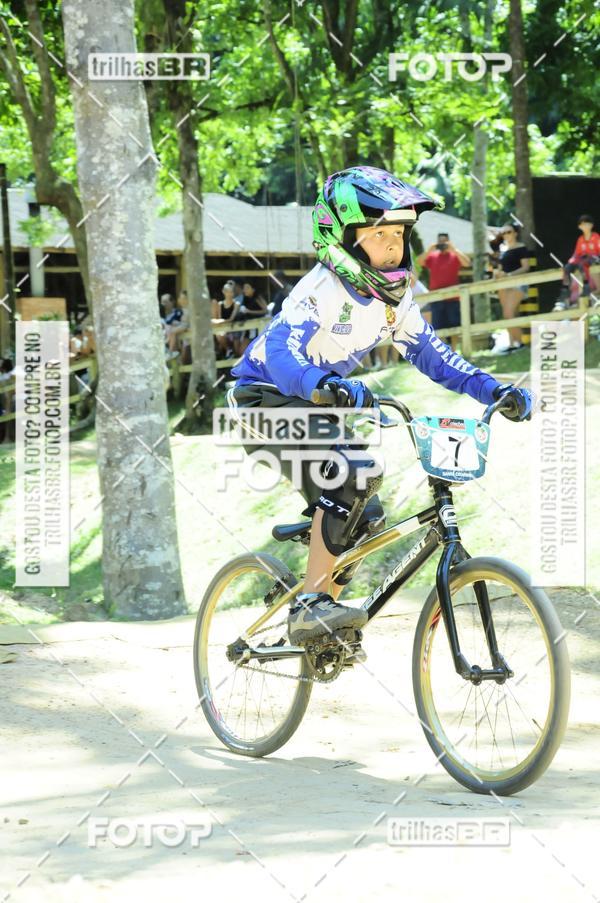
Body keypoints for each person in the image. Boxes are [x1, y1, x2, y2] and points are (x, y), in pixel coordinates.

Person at [228, 166, 532, 647]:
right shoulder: (321, 290)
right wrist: (321, 382)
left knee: (366, 514)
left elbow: (435, 357)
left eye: (399, 233)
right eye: (379, 233)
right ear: (344, 238)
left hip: (317, 404)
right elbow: (283, 354)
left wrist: (493, 389)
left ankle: (327, 620)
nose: (393, 244)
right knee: (354, 471)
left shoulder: (396, 300)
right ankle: (312, 605)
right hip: (263, 401)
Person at [416, 233, 470, 350]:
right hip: (436, 298)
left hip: (453, 297)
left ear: (448, 242)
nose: (442, 244)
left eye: (444, 242)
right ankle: (443, 353)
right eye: (440, 242)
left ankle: (454, 350)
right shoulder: (433, 256)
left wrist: (454, 249)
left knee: (454, 324)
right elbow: (419, 262)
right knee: (438, 327)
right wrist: (429, 249)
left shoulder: (454, 255)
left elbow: (467, 263)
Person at [493, 223, 530, 353]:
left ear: (515, 233)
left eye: (508, 232)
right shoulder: (502, 249)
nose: (506, 235)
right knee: (509, 314)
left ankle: (519, 344)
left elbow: (525, 267)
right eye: (503, 233)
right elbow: (500, 268)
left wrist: (509, 275)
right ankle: (511, 344)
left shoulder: (521, 248)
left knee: (508, 313)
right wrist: (497, 274)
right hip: (503, 284)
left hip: (518, 282)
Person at [554, 214, 600, 310]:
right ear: (579, 227)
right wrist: (570, 262)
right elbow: (576, 254)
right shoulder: (580, 239)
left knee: (585, 263)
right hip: (583, 262)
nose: (585, 226)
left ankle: (589, 288)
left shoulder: (596, 237)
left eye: (587, 224)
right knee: (568, 267)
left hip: (594, 260)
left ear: (591, 225)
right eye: (582, 224)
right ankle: (564, 292)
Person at [212, 280, 242, 358]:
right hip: (223, 329)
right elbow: (219, 317)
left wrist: (220, 321)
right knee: (219, 335)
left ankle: (231, 351)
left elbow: (231, 318)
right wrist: (218, 321)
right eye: (227, 291)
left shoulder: (236, 304)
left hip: (234, 329)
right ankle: (228, 350)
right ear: (223, 292)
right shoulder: (220, 304)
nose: (229, 294)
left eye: (231, 292)